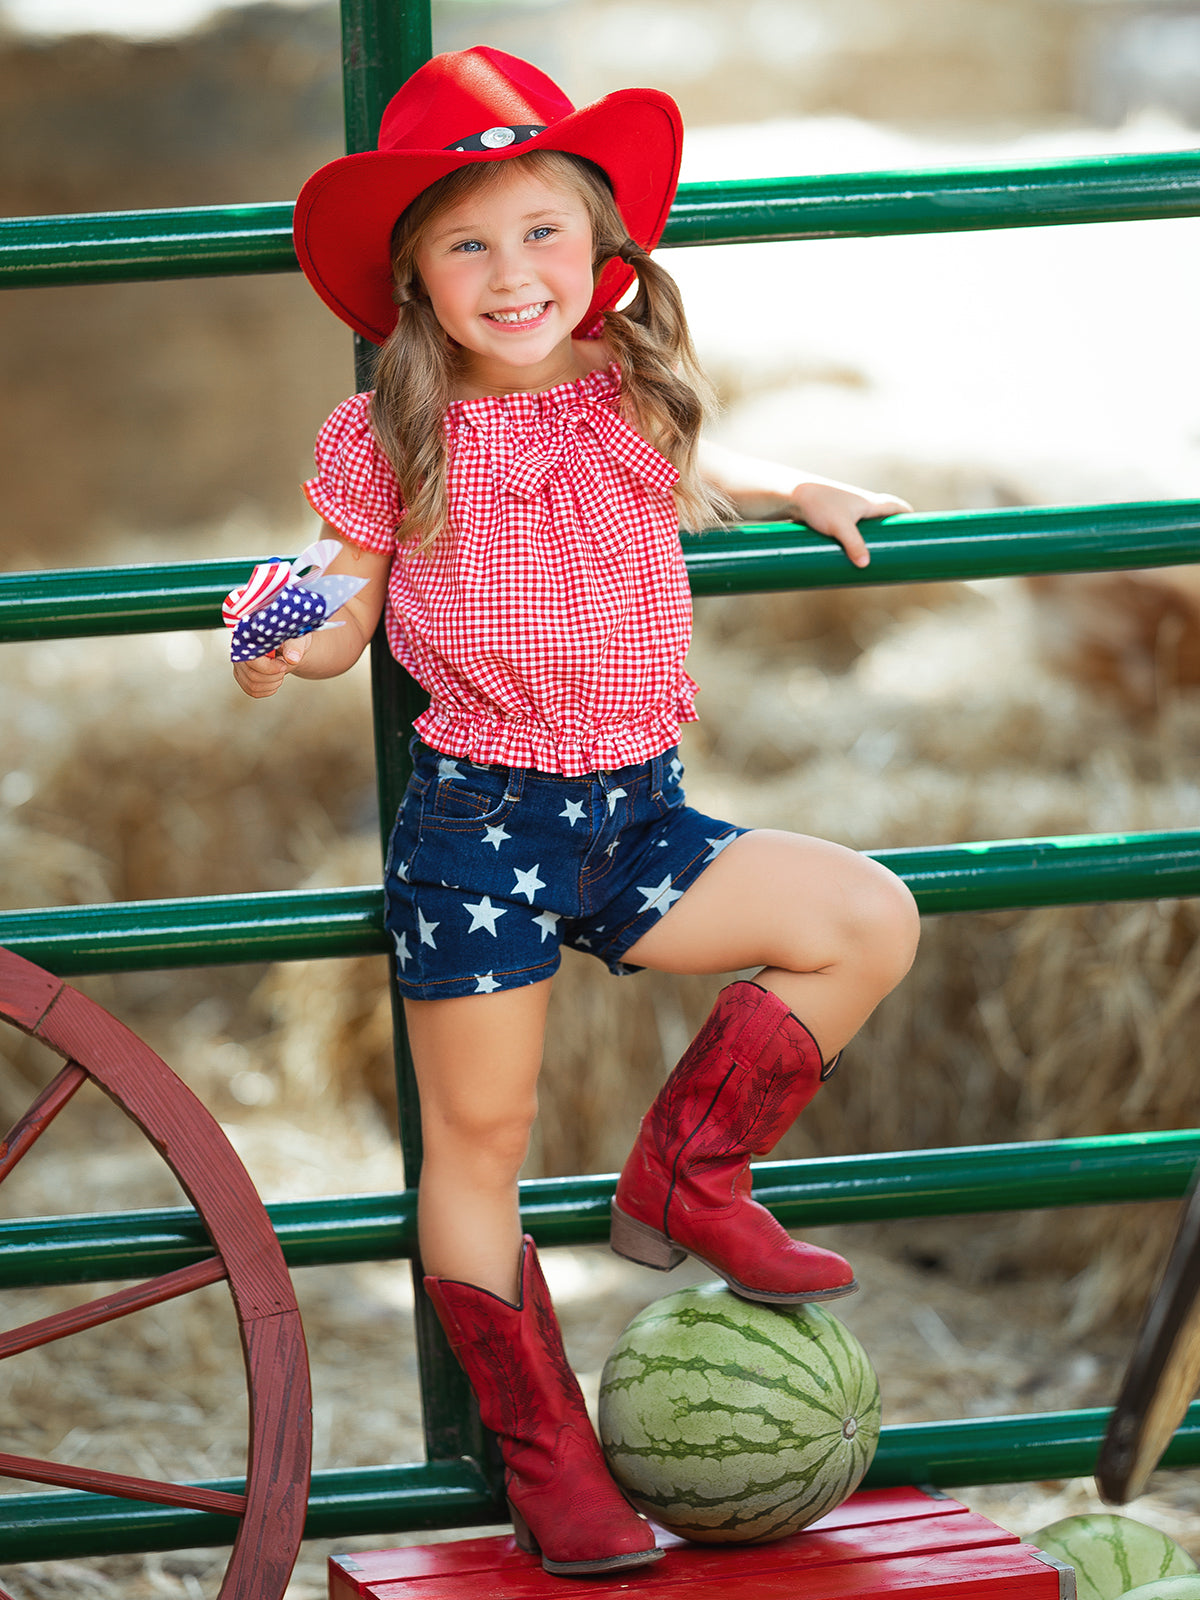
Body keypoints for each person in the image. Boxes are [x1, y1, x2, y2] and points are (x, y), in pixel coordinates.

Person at [236, 46, 920, 1576]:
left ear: (601, 249)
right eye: (468, 241)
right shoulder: (388, 438)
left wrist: (804, 485)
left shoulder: (627, 392)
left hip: (641, 814)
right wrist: (281, 638)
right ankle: (546, 1457)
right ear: (414, 274)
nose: (512, 269)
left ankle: (689, 1169)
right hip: (481, 831)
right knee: (476, 1141)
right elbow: (339, 609)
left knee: (864, 916)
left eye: (543, 229)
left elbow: (693, 462)